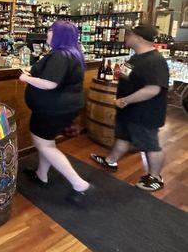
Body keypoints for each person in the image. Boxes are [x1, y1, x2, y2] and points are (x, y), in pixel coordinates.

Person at [91, 24, 169, 192]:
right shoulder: (136, 57)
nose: (125, 36)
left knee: (150, 145)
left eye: (129, 34)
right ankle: (111, 160)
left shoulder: (155, 61)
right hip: (129, 112)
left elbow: (152, 89)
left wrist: (125, 100)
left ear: (139, 38)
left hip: (144, 113)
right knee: (123, 138)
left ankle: (155, 177)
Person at [19, 20, 91, 201]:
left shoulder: (60, 55)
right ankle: (41, 174)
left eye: (51, 31)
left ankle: (78, 182)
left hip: (52, 109)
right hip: (63, 108)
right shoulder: (72, 53)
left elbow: (50, 83)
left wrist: (25, 78)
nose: (47, 34)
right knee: (47, 142)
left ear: (59, 35)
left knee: (44, 145)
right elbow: (53, 74)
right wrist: (32, 71)